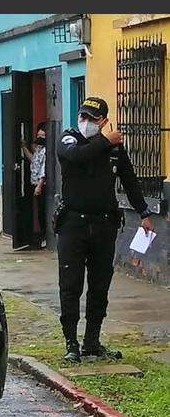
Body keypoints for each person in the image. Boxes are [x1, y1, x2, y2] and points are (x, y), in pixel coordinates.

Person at [56, 97, 155, 363]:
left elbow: (130, 181)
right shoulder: (70, 139)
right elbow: (76, 156)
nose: (86, 122)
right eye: (83, 116)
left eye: (92, 118)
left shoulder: (113, 149)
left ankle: (92, 342)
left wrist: (144, 212)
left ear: (103, 121)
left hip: (103, 225)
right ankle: (70, 342)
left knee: (99, 286)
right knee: (71, 285)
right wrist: (105, 140)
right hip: (73, 225)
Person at [21, 122, 47, 248]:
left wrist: (39, 186)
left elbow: (44, 169)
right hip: (34, 183)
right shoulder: (38, 149)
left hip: (41, 185)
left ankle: (45, 236)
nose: (39, 138)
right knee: (38, 211)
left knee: (43, 212)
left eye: (42, 136)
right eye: (38, 135)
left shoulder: (46, 151)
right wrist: (24, 147)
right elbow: (33, 160)